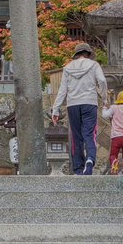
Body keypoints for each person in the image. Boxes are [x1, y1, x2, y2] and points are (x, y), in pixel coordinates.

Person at [49, 42, 110, 174]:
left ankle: (78, 168)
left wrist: (56, 109)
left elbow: (62, 90)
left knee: (76, 136)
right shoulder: (94, 65)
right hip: (89, 102)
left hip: (73, 104)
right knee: (89, 133)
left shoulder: (67, 68)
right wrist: (104, 99)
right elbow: (102, 81)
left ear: (76, 55)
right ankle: (90, 159)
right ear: (88, 54)